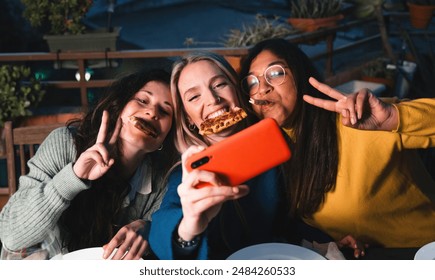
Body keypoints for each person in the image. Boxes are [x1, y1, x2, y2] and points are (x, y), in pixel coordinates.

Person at [148, 51, 364, 260]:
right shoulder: (190, 173)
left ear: (237, 90)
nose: (213, 99)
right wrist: (187, 229)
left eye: (220, 84)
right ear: (188, 119)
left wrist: (326, 240)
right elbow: (164, 225)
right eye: (194, 96)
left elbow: (286, 222)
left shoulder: (271, 148)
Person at [239, 38, 435, 249]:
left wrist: (393, 119)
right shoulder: (272, 151)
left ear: (301, 74)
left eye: (275, 73)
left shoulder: (359, 121)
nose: (262, 89)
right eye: (252, 82)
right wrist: (330, 244)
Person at [0, 68, 178, 260]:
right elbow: (11, 237)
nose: (152, 112)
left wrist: (151, 230)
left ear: (166, 136)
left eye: (165, 110)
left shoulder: (163, 179)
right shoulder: (65, 144)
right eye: (143, 100)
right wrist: (73, 177)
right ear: (120, 105)